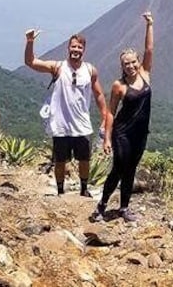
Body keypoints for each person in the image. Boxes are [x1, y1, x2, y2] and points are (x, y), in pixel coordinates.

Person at [24, 30, 109, 197]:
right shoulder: (58, 67)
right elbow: (31, 62)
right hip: (60, 124)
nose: (75, 49)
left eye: (79, 47)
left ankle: (84, 189)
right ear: (68, 48)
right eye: (73, 46)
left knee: (84, 159)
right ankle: (60, 190)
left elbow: (98, 93)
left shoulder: (90, 70)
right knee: (60, 161)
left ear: (83, 49)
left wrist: (105, 116)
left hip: (82, 124)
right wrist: (30, 42)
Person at [93, 12, 154, 222]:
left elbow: (149, 49)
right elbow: (110, 112)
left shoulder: (145, 74)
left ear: (138, 62)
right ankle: (101, 205)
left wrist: (149, 25)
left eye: (133, 62)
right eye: (126, 63)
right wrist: (107, 138)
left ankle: (124, 208)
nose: (130, 66)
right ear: (122, 66)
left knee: (131, 170)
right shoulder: (119, 86)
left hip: (140, 135)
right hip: (122, 134)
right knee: (119, 169)